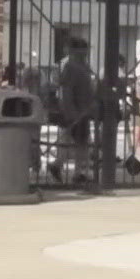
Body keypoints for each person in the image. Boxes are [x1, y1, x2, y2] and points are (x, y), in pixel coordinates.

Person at [54, 39, 98, 186]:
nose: (86, 53)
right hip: (76, 110)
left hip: (84, 110)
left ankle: (75, 170)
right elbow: (66, 90)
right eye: (83, 50)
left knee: (79, 141)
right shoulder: (71, 67)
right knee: (77, 141)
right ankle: (75, 171)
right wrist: (70, 111)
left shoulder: (84, 66)